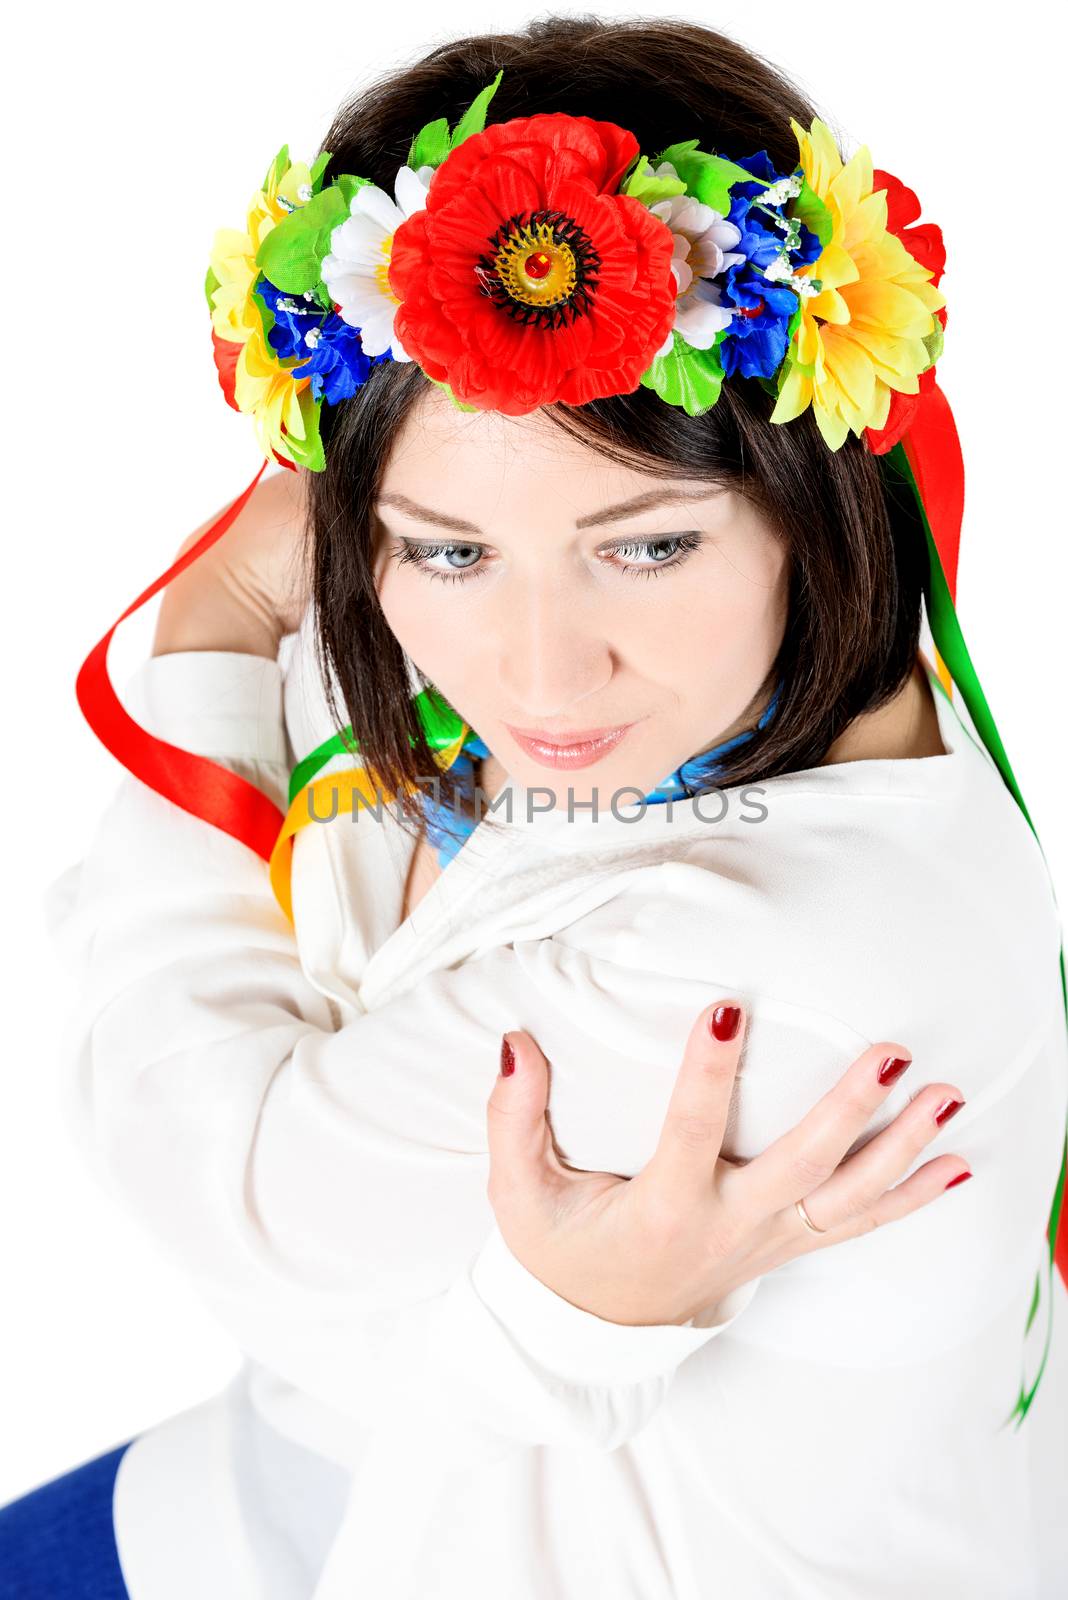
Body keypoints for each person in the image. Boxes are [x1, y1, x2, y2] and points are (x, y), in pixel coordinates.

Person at [6, 14, 1066, 1599]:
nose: (542, 675)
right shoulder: (775, 683)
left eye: (646, 545)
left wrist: (217, 623)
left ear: (812, 490)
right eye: (447, 548)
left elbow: (225, 1190)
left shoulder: (783, 953)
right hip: (318, 1477)